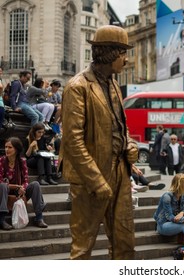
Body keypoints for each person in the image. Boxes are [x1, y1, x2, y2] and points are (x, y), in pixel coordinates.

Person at [59, 25, 138, 260]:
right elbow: (72, 140)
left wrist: (130, 145)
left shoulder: (113, 84)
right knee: (83, 247)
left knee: (125, 244)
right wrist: (96, 180)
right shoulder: (77, 87)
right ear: (109, 53)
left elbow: (120, 126)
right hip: (90, 179)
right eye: (123, 53)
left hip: (119, 172)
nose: (125, 60)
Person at [0, 137, 48, 230]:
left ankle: (39, 217)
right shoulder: (1, 161)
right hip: (4, 191)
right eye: (5, 147)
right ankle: (1, 219)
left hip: (19, 192)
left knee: (35, 184)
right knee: (2, 185)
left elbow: (25, 180)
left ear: (16, 149)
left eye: (10, 147)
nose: (6, 149)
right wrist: (16, 186)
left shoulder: (22, 161)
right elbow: (0, 181)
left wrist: (23, 188)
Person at [153, 173, 184, 242]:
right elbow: (170, 217)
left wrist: (183, 212)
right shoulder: (167, 197)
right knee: (183, 225)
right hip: (164, 224)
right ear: (181, 185)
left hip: (177, 220)